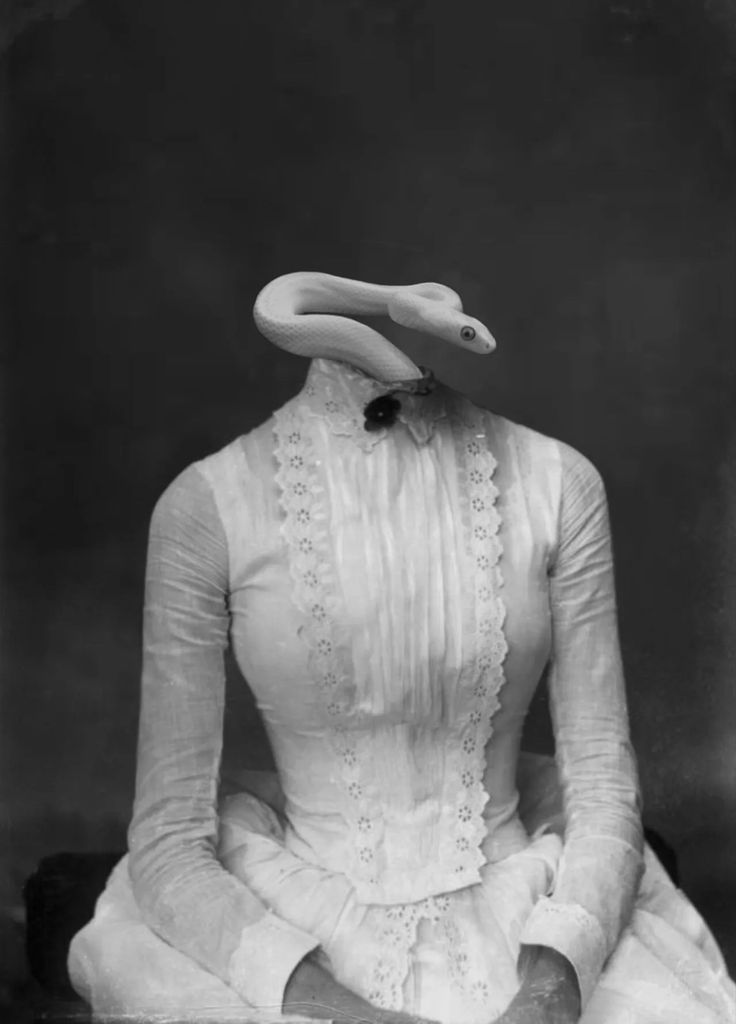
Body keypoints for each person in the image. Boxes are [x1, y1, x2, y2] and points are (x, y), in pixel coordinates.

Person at [69, 274, 736, 1024]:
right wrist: (344, 1014)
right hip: (300, 921)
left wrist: (550, 994)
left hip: (526, 903)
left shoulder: (558, 481)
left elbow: (606, 790)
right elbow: (168, 838)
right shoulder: (208, 504)